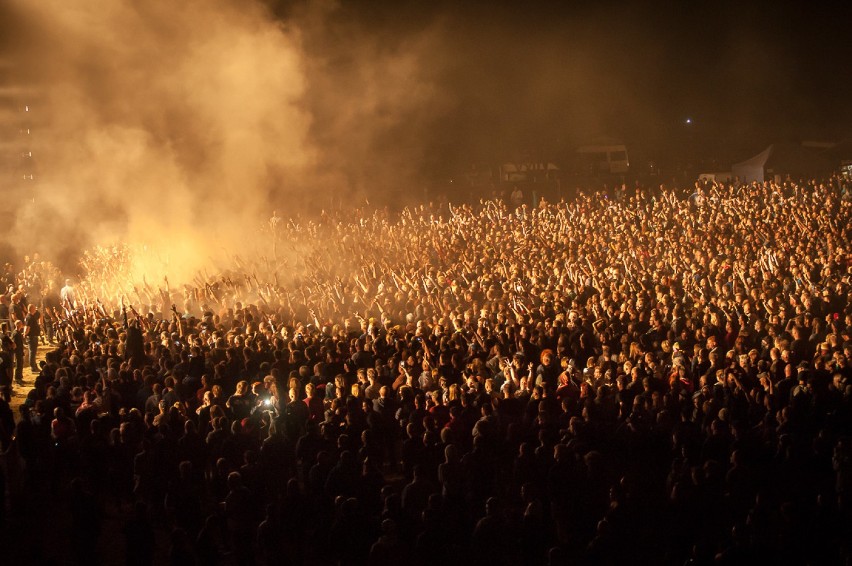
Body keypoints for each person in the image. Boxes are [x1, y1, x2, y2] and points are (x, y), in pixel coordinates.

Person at [24, 303, 41, 372]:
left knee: (33, 352)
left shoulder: (31, 316)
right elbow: (27, 327)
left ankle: (34, 365)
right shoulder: (29, 317)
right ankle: (33, 367)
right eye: (34, 308)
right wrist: (25, 334)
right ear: (32, 309)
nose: (36, 310)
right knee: (32, 352)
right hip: (31, 337)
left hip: (33, 336)